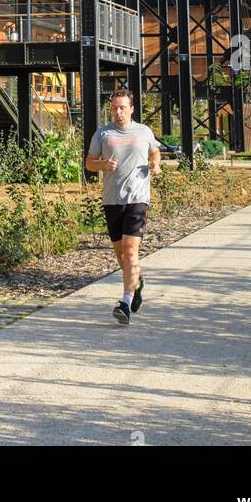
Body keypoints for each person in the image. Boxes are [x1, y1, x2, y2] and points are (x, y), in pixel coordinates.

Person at [85, 87, 161, 325]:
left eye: (122, 108)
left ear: (131, 109)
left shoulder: (144, 131)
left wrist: (155, 165)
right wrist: (103, 165)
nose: (118, 112)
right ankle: (136, 283)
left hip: (138, 198)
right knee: (121, 254)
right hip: (112, 200)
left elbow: (155, 151)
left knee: (129, 250)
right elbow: (89, 164)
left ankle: (125, 303)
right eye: (114, 108)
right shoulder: (103, 134)